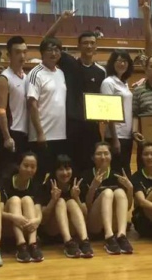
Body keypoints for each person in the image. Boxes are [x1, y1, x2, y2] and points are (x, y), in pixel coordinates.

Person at [45, 12, 107, 172]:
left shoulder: (101, 72)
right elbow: (47, 41)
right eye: (85, 43)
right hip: (71, 124)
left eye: (92, 43)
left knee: (91, 165)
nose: (89, 46)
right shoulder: (69, 63)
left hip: (91, 125)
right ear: (79, 46)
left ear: (96, 46)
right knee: (71, 164)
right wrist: (61, 20)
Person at [81, 142, 134, 255]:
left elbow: (128, 207)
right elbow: (87, 207)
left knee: (119, 192)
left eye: (106, 153)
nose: (103, 157)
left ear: (111, 156)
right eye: (99, 154)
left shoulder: (117, 176)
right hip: (95, 224)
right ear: (92, 157)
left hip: (114, 223)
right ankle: (109, 237)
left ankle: (121, 235)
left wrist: (130, 189)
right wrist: (93, 187)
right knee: (108, 193)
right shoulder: (86, 175)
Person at [39, 154, 94, 258]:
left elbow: (86, 214)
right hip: (52, 230)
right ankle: (67, 242)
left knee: (71, 202)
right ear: (54, 172)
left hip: (73, 229)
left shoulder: (77, 184)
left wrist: (76, 198)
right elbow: (43, 220)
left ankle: (84, 241)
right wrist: (53, 200)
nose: (65, 173)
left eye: (67, 168)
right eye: (60, 169)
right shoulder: (47, 186)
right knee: (60, 202)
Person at [27, 36, 68, 176]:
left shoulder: (61, 73)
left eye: (57, 50)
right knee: (41, 175)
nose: (54, 53)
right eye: (50, 50)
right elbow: (32, 104)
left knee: (56, 175)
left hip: (60, 135)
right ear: (42, 52)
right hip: (42, 136)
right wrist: (40, 133)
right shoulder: (35, 73)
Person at [1, 152, 44, 263]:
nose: (29, 169)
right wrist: (13, 217)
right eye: (26, 165)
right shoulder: (6, 181)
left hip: (27, 226)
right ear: (18, 165)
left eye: (33, 167)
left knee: (28, 200)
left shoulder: (35, 184)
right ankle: (21, 245)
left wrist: (37, 220)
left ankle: (32, 244)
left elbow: (38, 210)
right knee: (15, 200)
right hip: (7, 226)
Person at [100, 50, 135, 175]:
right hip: (116, 135)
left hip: (127, 135)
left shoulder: (124, 83)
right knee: (117, 172)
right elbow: (109, 112)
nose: (122, 64)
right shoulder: (108, 82)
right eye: (119, 61)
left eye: (125, 61)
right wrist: (115, 139)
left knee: (125, 169)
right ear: (112, 63)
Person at [0, 36, 29, 166]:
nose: (22, 56)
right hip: (12, 132)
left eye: (24, 52)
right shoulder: (4, 78)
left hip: (26, 132)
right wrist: (7, 137)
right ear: (9, 55)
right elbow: (1, 110)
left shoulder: (27, 77)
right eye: (17, 52)